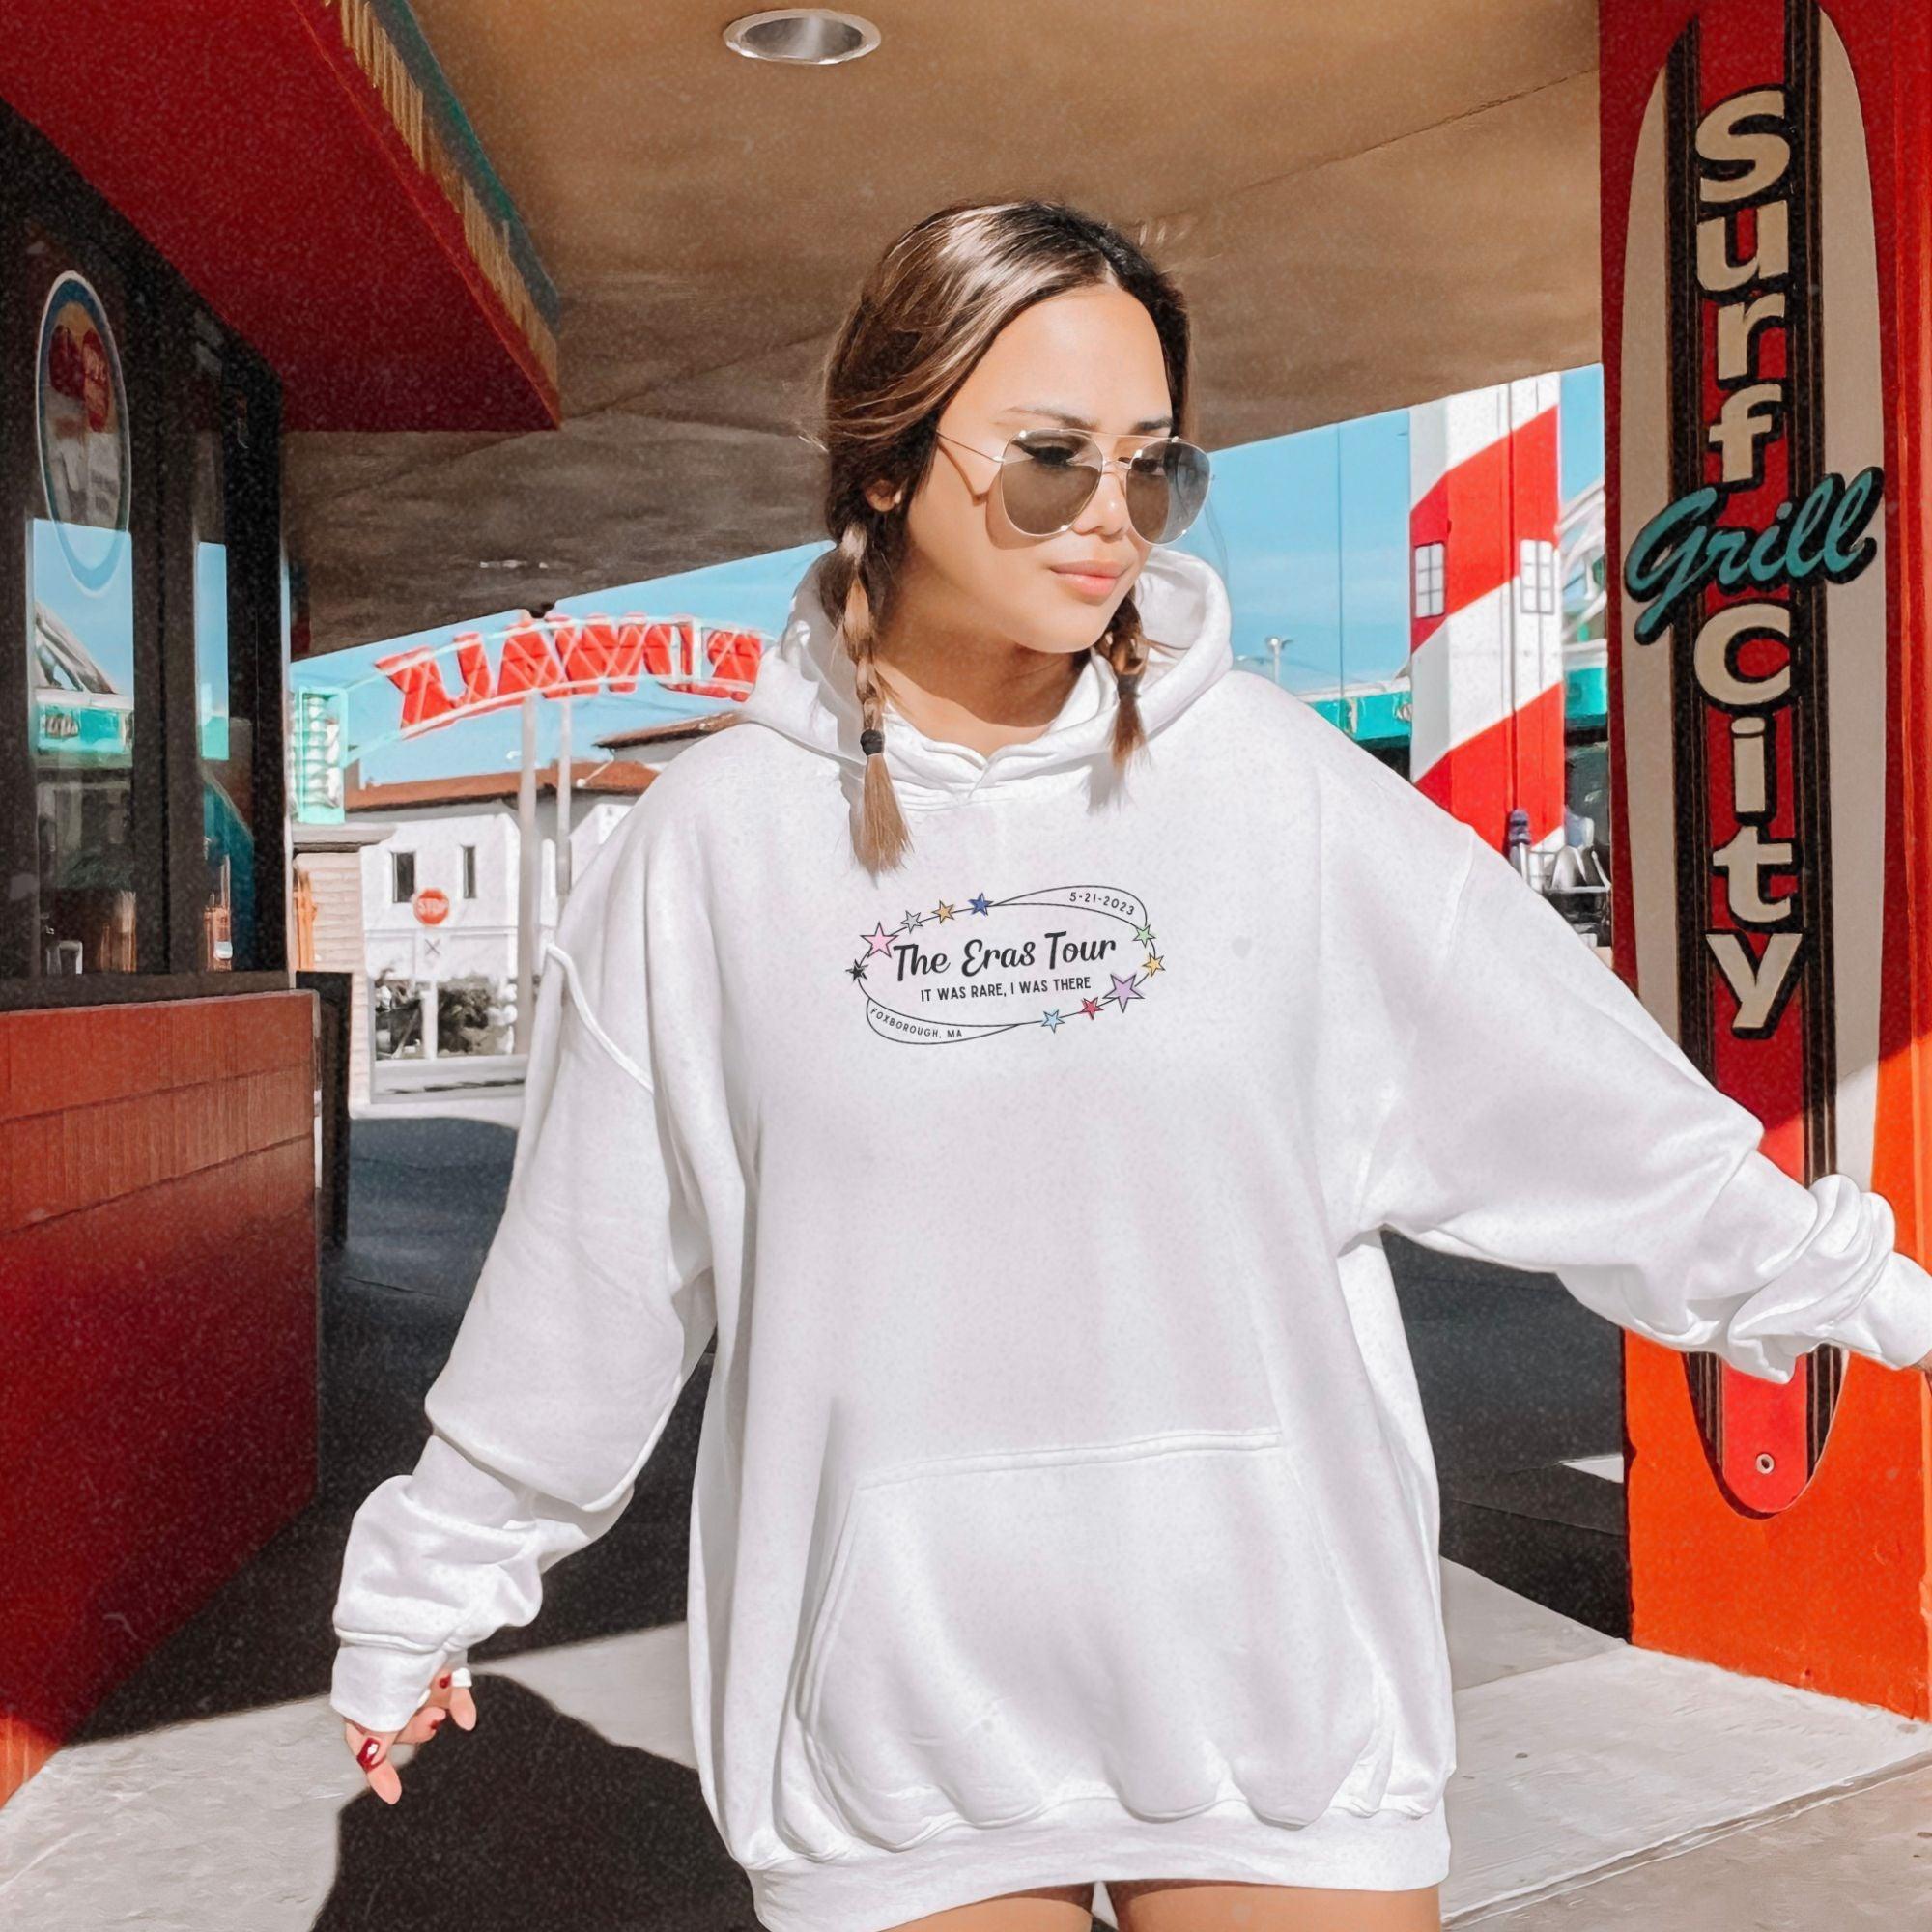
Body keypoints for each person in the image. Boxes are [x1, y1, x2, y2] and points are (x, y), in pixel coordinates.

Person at [328, 199, 1932, 1932]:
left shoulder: (1276, 790)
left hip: (1275, 1705)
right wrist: (430, 1587)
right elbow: (596, 1275)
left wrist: (1848, 1279)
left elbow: (1569, 1091)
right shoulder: (707, 851)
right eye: (1044, 460)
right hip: (892, 1742)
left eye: (1150, 464)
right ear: (883, 463)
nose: (1106, 515)